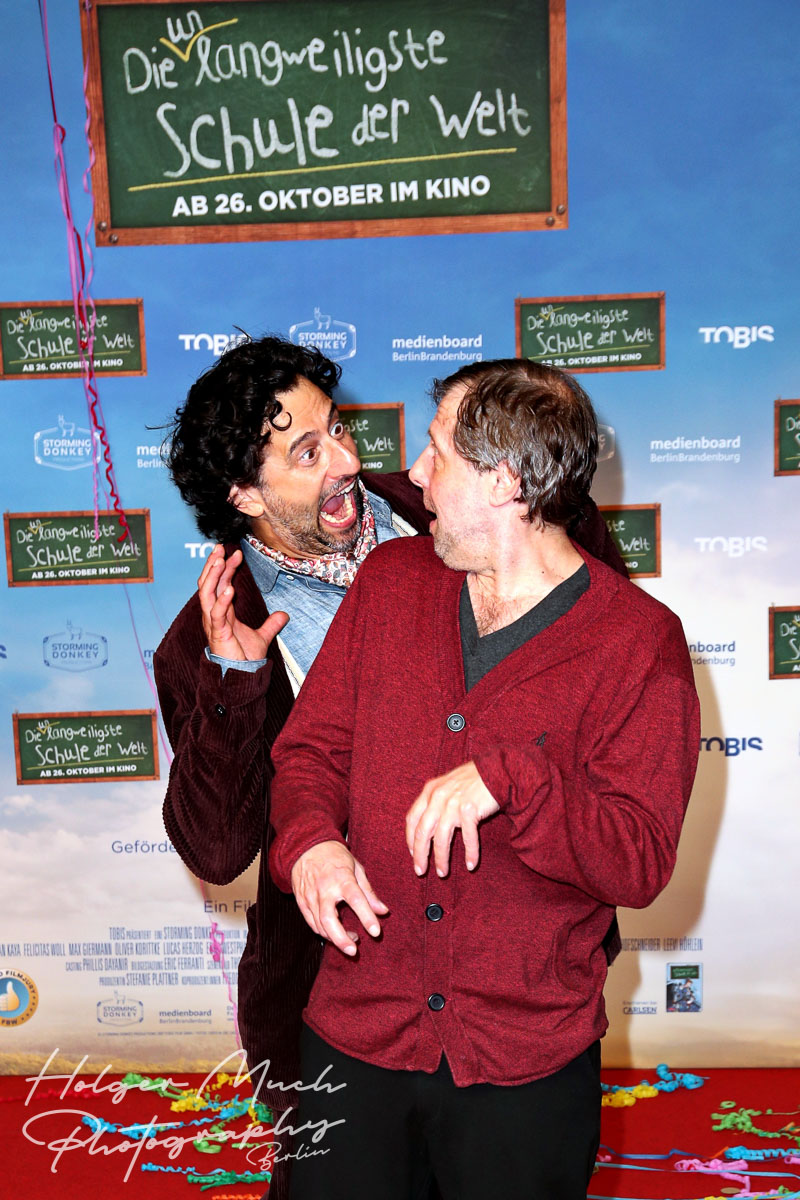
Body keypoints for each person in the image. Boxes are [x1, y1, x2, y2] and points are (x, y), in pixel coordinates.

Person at [154, 338, 625, 1197]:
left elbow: (602, 666)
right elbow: (217, 850)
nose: (347, 462)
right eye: (307, 454)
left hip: (518, 976)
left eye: (337, 430)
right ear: (244, 495)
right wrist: (235, 685)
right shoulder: (209, 639)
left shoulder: (460, 498)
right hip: (340, 996)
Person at [268, 357, 700, 1200]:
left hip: (525, 1063)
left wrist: (518, 781)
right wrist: (312, 843)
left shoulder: (638, 642)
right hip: (354, 1037)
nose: (414, 473)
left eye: (437, 453)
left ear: (505, 480)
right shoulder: (390, 584)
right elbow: (310, 752)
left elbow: (639, 861)